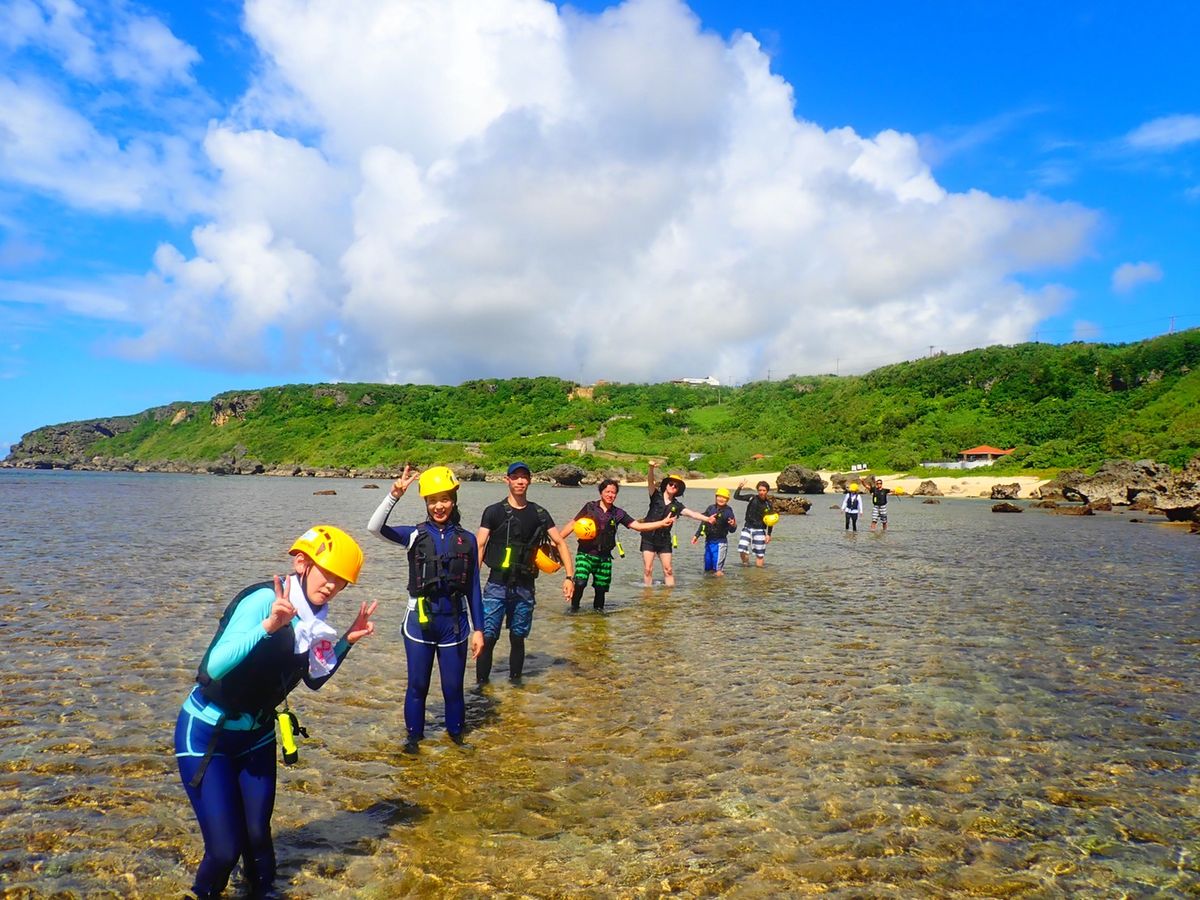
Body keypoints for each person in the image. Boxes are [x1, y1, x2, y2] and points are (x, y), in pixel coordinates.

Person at [175, 525, 377, 899]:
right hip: (206, 733)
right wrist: (269, 626)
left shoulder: (315, 623)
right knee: (224, 850)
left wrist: (347, 641)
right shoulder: (263, 601)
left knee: (257, 837)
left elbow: (314, 679)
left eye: (341, 581)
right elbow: (213, 667)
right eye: (327, 573)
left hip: (257, 735)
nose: (332, 586)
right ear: (302, 563)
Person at [367, 465, 485, 751]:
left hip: (454, 625)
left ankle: (456, 737)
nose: (438, 506)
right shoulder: (414, 535)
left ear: (453, 500)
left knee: (453, 689)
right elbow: (374, 528)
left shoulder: (468, 540)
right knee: (417, 686)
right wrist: (394, 495)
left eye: (444, 499)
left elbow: (473, 588)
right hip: (419, 624)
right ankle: (413, 740)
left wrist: (479, 630)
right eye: (432, 501)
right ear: (426, 503)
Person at [475, 461, 575, 684]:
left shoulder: (539, 513)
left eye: (524, 477)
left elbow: (560, 542)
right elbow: (480, 545)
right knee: (488, 637)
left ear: (529, 481)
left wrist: (570, 577)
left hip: (525, 586)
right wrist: (471, 583)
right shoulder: (493, 512)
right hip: (496, 585)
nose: (520, 481)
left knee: (518, 637)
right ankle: (481, 688)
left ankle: (516, 685)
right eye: (515, 477)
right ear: (507, 480)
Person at [556, 479, 676, 610]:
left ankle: (598, 616)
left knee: (600, 590)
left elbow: (638, 526)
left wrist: (661, 523)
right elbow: (573, 524)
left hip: (604, 557)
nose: (610, 495)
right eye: (607, 492)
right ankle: (574, 610)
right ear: (601, 493)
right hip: (585, 554)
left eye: (613, 493)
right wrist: (557, 541)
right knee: (580, 582)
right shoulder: (590, 507)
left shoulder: (618, 513)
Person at [640, 462, 715, 586]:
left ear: (678, 490)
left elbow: (692, 514)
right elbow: (650, 482)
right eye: (671, 484)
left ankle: (670, 594)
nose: (673, 486)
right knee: (648, 569)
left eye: (676, 486)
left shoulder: (677, 505)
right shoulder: (655, 496)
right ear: (666, 485)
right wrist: (651, 468)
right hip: (648, 537)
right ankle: (648, 595)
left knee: (668, 570)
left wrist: (707, 519)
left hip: (664, 539)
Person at [691, 487, 738, 576]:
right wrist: (696, 535)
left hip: (720, 543)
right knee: (708, 569)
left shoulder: (728, 512)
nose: (721, 499)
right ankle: (709, 584)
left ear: (727, 500)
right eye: (719, 496)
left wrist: (733, 525)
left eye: (724, 497)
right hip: (708, 541)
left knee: (718, 570)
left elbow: (732, 530)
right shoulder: (710, 508)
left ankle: (719, 584)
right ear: (716, 497)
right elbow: (704, 522)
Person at [734, 479, 775, 566]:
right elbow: (736, 497)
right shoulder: (752, 498)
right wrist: (739, 487)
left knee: (760, 554)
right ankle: (746, 565)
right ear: (757, 490)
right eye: (760, 490)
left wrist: (769, 534)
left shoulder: (768, 504)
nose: (761, 492)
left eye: (764, 490)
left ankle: (759, 572)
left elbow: (771, 521)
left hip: (760, 530)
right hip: (747, 528)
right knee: (742, 548)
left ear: (767, 491)